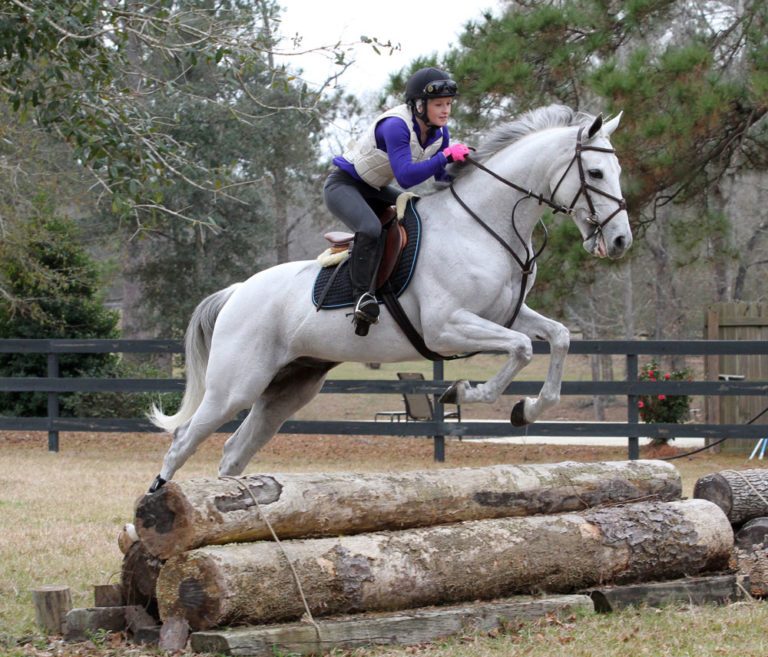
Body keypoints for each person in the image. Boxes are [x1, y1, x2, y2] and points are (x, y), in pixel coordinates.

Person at [323, 67, 470, 334]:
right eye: (439, 104)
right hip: (343, 185)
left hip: (375, 187)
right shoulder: (395, 126)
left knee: (418, 208)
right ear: (419, 105)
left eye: (448, 104)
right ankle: (361, 297)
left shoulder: (440, 134)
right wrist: (446, 157)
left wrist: (465, 175)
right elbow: (405, 177)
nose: (446, 110)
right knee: (370, 228)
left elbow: (439, 178)